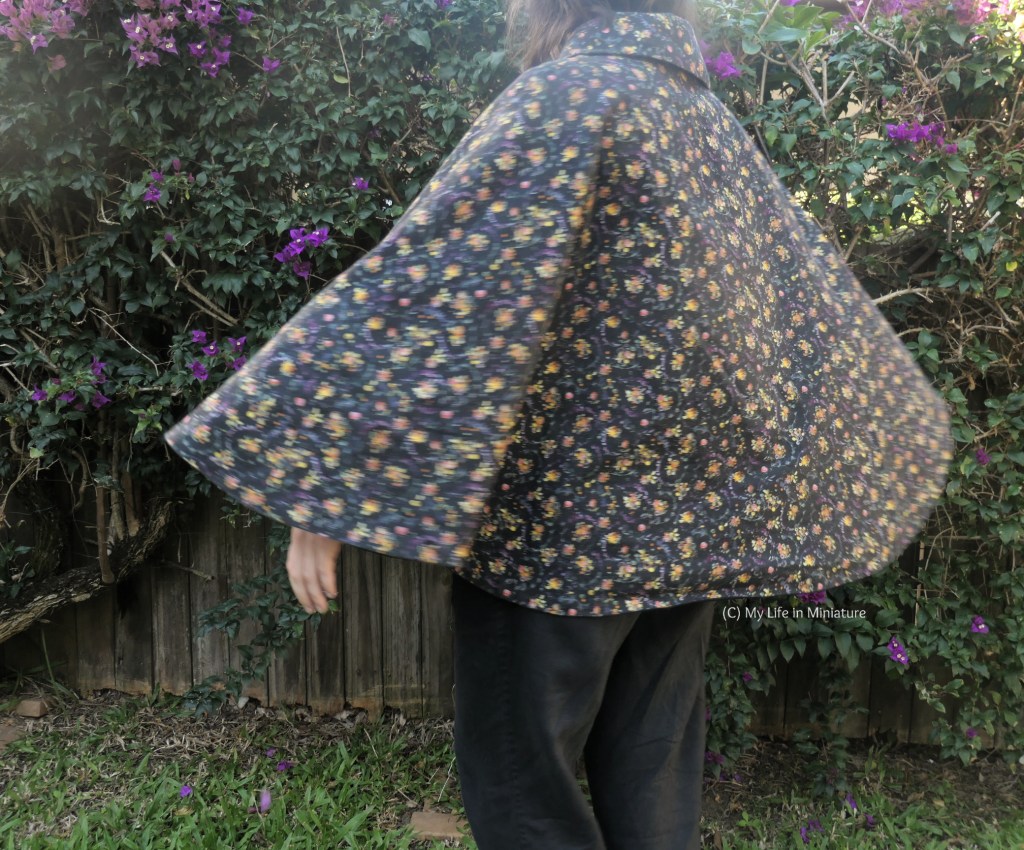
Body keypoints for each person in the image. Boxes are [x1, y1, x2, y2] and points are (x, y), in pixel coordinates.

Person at [165, 1, 953, 847]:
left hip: (556, 540)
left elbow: (434, 286)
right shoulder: (703, 119)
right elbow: (784, 309)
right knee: (653, 774)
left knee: (523, 791)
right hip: (687, 536)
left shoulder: (569, 97)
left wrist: (319, 488)